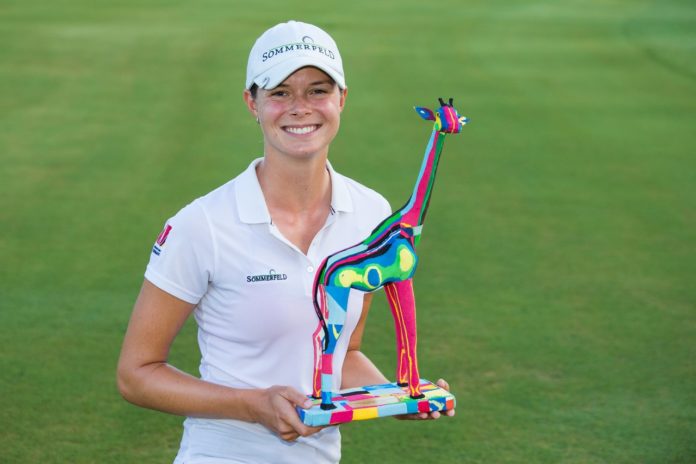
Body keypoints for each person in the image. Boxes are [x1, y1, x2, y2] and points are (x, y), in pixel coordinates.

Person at [117, 20, 454, 464]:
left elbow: (346, 352)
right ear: (252, 103)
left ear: (342, 99)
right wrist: (253, 404)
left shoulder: (371, 212)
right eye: (280, 93)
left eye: (318, 91)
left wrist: (400, 396)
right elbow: (136, 374)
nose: (300, 108)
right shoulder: (201, 225)